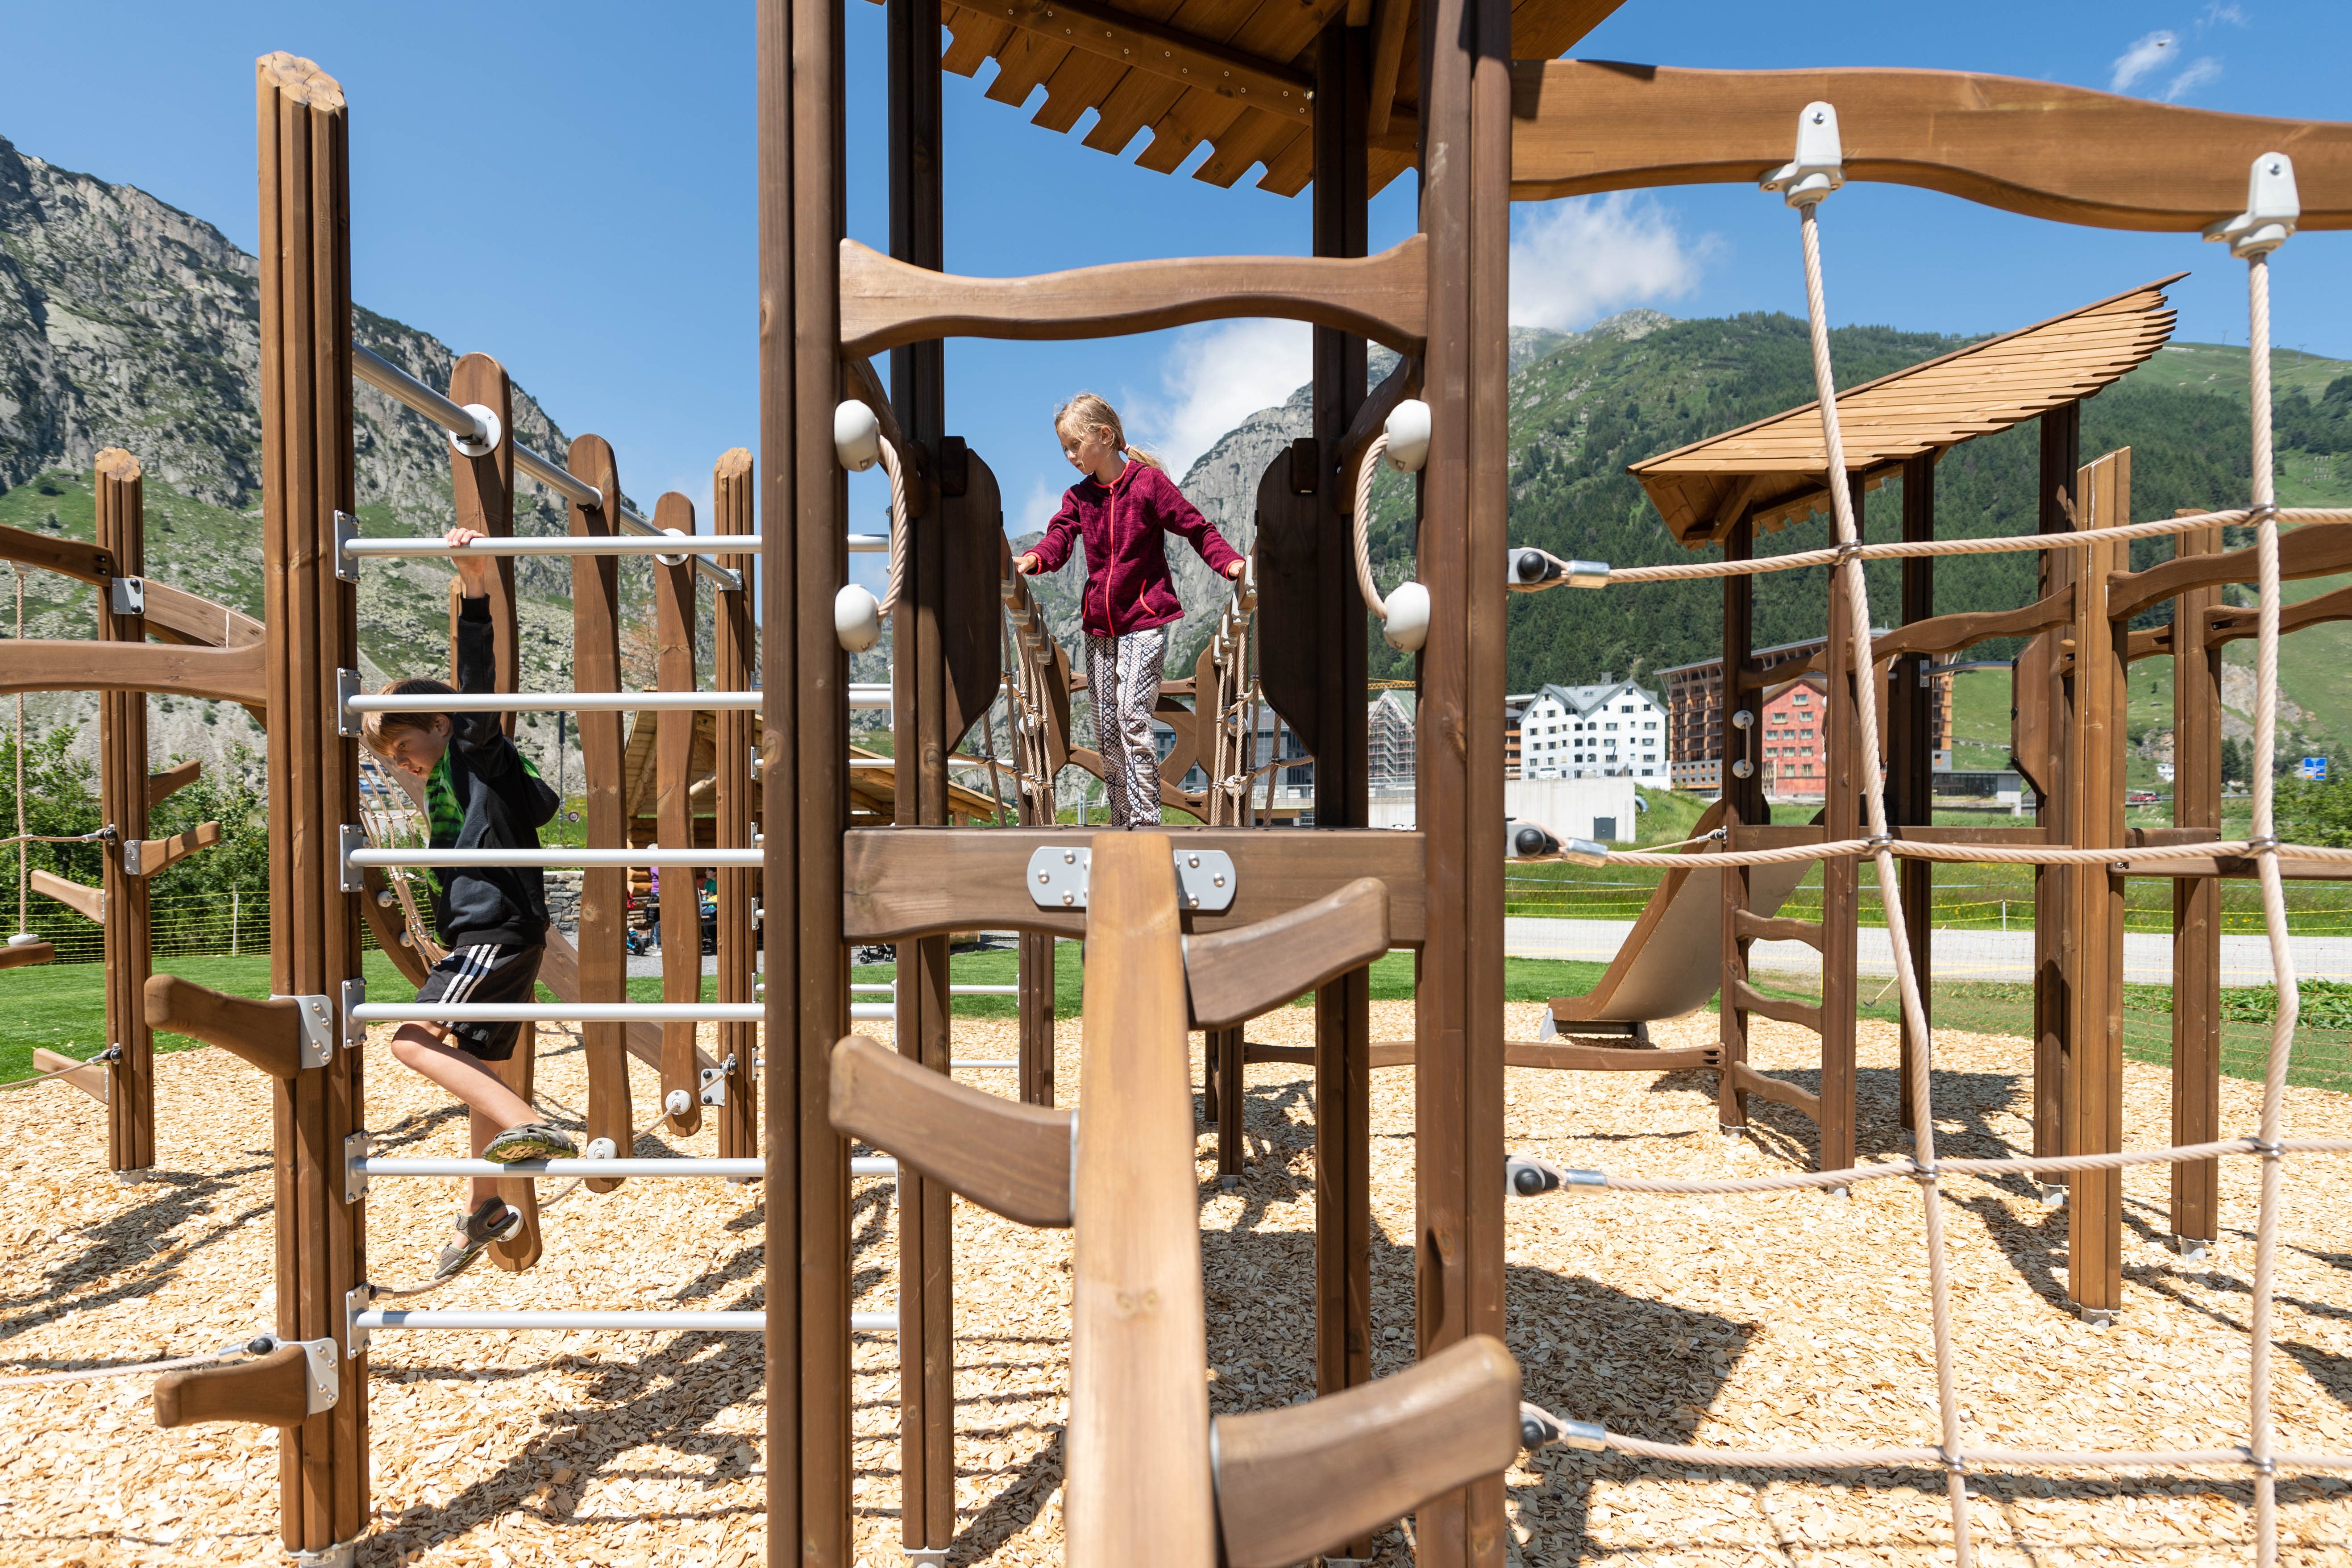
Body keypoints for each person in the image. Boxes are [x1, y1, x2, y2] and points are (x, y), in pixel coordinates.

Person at [361, 527, 575, 1281]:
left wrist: (474, 584)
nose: (403, 765)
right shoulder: (466, 780)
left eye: (404, 747)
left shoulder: (473, 751)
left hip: (491, 929)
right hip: (509, 930)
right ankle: (488, 1203)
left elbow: (476, 685)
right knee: (482, 1058)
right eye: (390, 761)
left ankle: (528, 1123)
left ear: (444, 724)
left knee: (413, 1040)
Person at [1013, 392, 1244, 829]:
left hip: (1144, 620)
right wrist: (1033, 559)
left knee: (1131, 716)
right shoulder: (1079, 498)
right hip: (1099, 629)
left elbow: (1195, 526)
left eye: (1073, 445)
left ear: (1104, 436)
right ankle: (1122, 820)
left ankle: (1144, 821)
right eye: (1063, 448)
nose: (1068, 456)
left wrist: (1228, 562)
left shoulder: (1147, 485)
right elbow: (1058, 539)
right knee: (1105, 729)